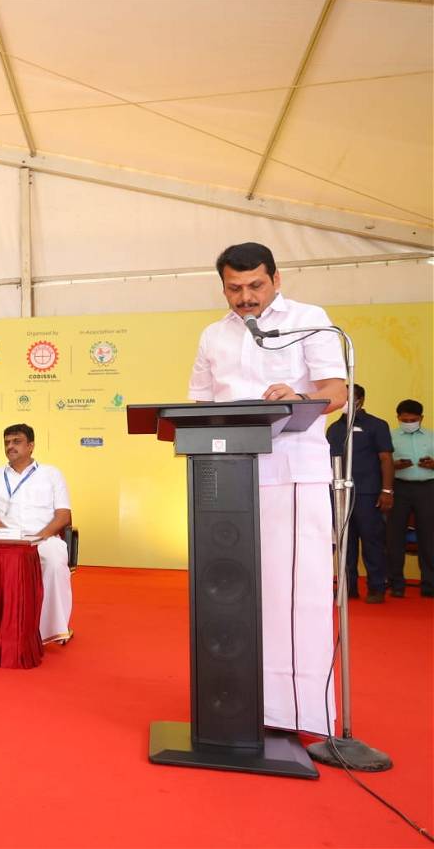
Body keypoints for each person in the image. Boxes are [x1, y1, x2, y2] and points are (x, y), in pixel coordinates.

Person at [187, 241, 346, 736]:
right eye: (234, 288)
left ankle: (300, 711)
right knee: (232, 592)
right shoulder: (213, 335)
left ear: (276, 279)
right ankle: (239, 700)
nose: (245, 296)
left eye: (255, 285)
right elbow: (195, 403)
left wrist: (299, 397)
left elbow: (336, 391)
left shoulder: (310, 318)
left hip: (292, 472)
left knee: (296, 595)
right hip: (227, 482)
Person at [0, 424, 73, 645]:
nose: (10, 446)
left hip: (44, 538)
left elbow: (63, 516)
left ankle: (51, 631)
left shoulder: (52, 474)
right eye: (7, 442)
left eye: (16, 441)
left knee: (54, 561)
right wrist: (9, 535)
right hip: (6, 539)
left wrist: (38, 538)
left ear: (30, 446)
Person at [326, 385, 394, 602]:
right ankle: (348, 588)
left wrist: (386, 490)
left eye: (349, 398)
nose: (345, 401)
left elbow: (386, 459)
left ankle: (376, 587)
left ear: (361, 400)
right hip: (339, 494)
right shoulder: (334, 429)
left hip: (368, 493)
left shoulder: (377, 425)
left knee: (372, 541)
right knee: (346, 542)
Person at [388, 399, 434, 597]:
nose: (409, 422)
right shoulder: (389, 437)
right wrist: (394, 466)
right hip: (398, 488)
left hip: (427, 488)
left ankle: (429, 585)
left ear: (421, 418)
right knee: (394, 537)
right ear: (398, 418)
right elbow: (381, 462)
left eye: (413, 420)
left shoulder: (432, 437)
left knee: (429, 538)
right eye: (404, 419)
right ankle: (396, 585)